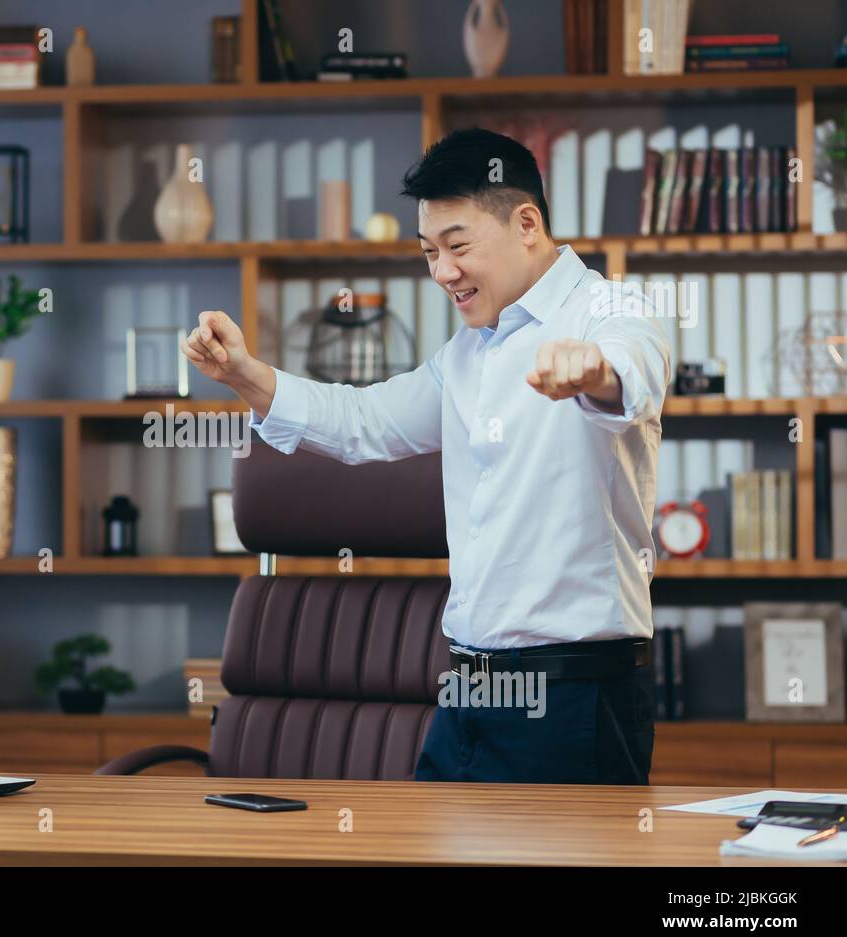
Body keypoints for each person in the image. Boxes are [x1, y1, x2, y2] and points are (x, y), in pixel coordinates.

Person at [181, 127, 672, 785]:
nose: (443, 272)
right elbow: (363, 423)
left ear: (527, 223)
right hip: (466, 692)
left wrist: (592, 370)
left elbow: (635, 371)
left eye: (458, 246)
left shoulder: (608, 310)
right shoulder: (467, 353)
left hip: (575, 696)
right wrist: (246, 375)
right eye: (428, 252)